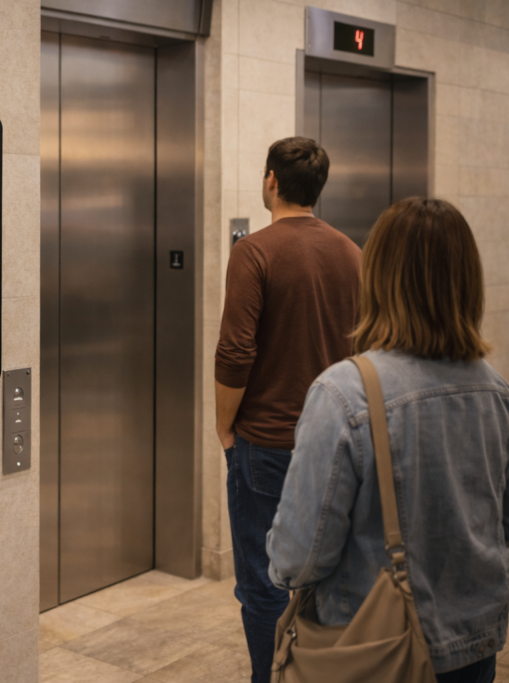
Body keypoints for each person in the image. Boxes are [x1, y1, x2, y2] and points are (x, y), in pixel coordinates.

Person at [266, 198, 509, 683]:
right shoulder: (496, 390)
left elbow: (298, 558)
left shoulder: (343, 394)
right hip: (477, 643)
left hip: (374, 648)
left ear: (377, 278)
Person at [215, 137, 361, 683]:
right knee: (328, 577)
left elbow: (235, 352)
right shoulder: (353, 252)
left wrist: (224, 427)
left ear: (271, 181)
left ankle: (272, 676)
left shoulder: (253, 251)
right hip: (341, 443)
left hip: (268, 444)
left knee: (264, 580)